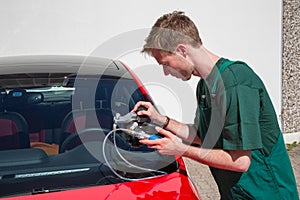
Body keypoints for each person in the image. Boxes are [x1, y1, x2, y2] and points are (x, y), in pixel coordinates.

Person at [133, 11, 299, 199]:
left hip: (266, 195)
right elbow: (203, 136)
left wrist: (181, 150)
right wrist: (161, 120)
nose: (165, 72)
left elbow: (240, 161)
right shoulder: (204, 86)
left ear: (181, 50)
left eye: (166, 63)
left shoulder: (236, 83)